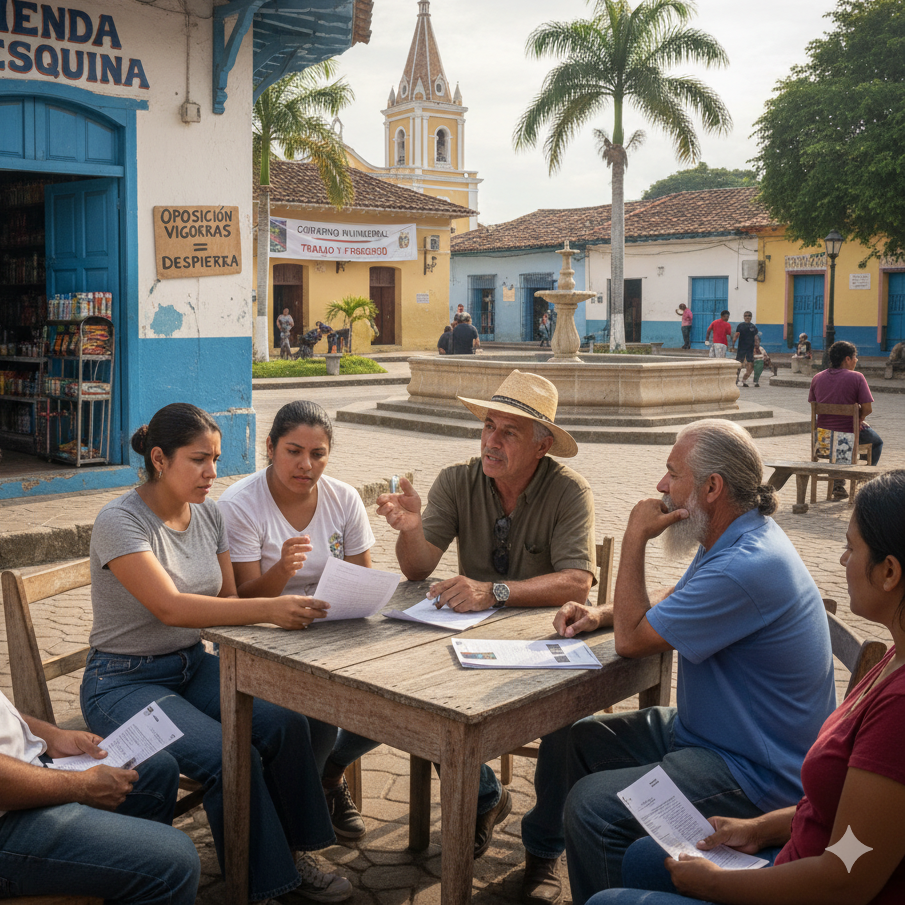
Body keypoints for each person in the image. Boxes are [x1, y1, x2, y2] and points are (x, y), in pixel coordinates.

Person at [0, 416, 201, 905]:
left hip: (5, 779)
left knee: (154, 772)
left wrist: (54, 736)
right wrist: (78, 787)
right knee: (175, 860)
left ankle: (112, 876)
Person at [528, 418, 835, 905]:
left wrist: (634, 537)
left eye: (673, 474)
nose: (661, 486)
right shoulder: (735, 534)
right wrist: (601, 613)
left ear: (712, 488)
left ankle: (613, 890)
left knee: (592, 807)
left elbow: (631, 641)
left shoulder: (743, 565)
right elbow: (679, 595)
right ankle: (548, 856)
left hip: (754, 771)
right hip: (708, 732)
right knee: (576, 739)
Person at [586, 469, 905, 905]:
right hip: (794, 849)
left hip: (805, 871)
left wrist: (716, 884)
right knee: (644, 856)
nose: (841, 560)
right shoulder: (894, 658)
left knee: (603, 876)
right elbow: (840, 814)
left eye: (851, 548)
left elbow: (846, 878)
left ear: (889, 572)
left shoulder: (898, 711)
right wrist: (758, 829)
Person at [324, 371, 596, 875]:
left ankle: (542, 852)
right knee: (399, 682)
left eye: (509, 432)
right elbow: (417, 568)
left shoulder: (568, 491)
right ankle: (478, 792)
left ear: (542, 445)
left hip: (539, 644)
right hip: (466, 638)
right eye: (489, 426)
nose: (491, 440)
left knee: (567, 719)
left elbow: (578, 583)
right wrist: (410, 528)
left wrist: (494, 591)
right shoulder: (457, 479)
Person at [79, 403, 352, 904]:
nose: (212, 473)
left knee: (287, 723)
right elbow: (171, 608)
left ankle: (295, 853)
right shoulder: (121, 521)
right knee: (231, 757)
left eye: (216, 460)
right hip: (123, 682)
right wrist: (273, 608)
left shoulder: (207, 513)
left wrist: (277, 592)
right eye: (199, 460)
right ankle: (262, 885)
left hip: (191, 666)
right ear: (159, 459)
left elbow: (229, 600)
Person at [216, 401, 375, 840]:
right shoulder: (240, 505)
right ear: (270, 447)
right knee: (314, 713)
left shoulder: (344, 498)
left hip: (332, 629)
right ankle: (304, 805)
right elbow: (240, 600)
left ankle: (327, 775)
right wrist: (282, 571)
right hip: (263, 636)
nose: (306, 465)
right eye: (294, 451)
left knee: (400, 700)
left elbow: (362, 577)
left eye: (318, 454)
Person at [808, 340, 883, 500]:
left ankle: (839, 482)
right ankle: (864, 482)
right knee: (876, 442)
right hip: (847, 439)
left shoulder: (817, 378)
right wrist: (860, 419)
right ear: (847, 359)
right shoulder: (857, 377)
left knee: (837, 435)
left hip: (823, 440)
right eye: (855, 357)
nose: (856, 360)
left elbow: (814, 404)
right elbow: (867, 408)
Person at [734, 311, 759, 384]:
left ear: (751, 317)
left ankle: (744, 379)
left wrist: (757, 346)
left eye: (749, 316)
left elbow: (756, 337)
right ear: (744, 317)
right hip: (741, 348)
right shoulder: (740, 326)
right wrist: (733, 344)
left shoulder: (753, 327)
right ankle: (736, 378)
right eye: (746, 316)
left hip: (750, 348)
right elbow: (736, 335)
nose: (747, 317)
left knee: (750, 364)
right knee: (739, 363)